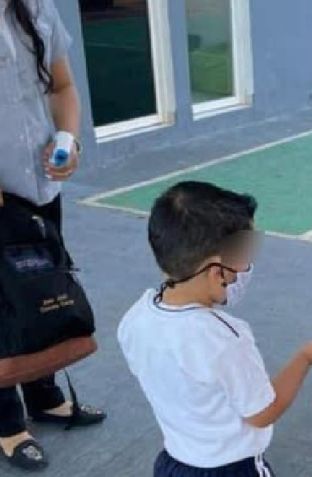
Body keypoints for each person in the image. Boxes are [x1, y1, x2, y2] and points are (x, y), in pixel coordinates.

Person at [118, 181, 312, 477]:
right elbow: (262, 413)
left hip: (174, 464)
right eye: (245, 257)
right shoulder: (224, 337)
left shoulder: (135, 318)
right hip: (232, 469)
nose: (247, 269)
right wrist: (305, 358)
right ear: (217, 271)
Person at [0, 0, 106, 470]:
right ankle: (7, 425)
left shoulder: (37, 5)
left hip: (41, 189)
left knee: (42, 293)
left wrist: (67, 138)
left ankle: (43, 396)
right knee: (2, 308)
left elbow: (62, 86)